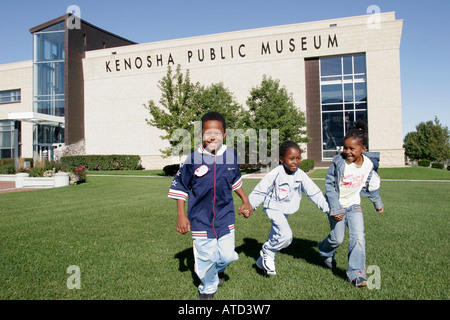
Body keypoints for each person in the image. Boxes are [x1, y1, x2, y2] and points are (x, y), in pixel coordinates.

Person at [168, 111, 253, 300]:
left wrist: (245, 200)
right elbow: (181, 187)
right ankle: (207, 288)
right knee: (206, 258)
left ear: (224, 134)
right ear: (201, 134)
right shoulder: (192, 160)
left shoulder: (230, 156)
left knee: (226, 256)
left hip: (225, 216)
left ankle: (216, 270)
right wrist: (181, 215)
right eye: (207, 132)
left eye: (216, 132)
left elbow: (235, 182)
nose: (212, 136)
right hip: (200, 218)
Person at [318, 120, 384, 287]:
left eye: (351, 149)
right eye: (344, 147)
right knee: (337, 239)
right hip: (336, 205)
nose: (346, 151)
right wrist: (335, 208)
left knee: (358, 238)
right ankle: (325, 251)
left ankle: (356, 274)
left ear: (363, 149)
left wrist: (377, 203)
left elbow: (371, 185)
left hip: (354, 206)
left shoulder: (369, 164)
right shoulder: (339, 162)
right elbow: (330, 186)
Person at [248, 141, 329, 275]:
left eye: (298, 158)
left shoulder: (300, 174)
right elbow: (260, 190)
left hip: (286, 209)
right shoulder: (276, 173)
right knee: (286, 236)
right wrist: (250, 206)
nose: (295, 162)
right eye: (291, 158)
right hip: (273, 207)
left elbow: (313, 191)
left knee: (276, 234)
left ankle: (260, 262)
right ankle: (268, 251)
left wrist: (327, 208)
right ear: (281, 159)